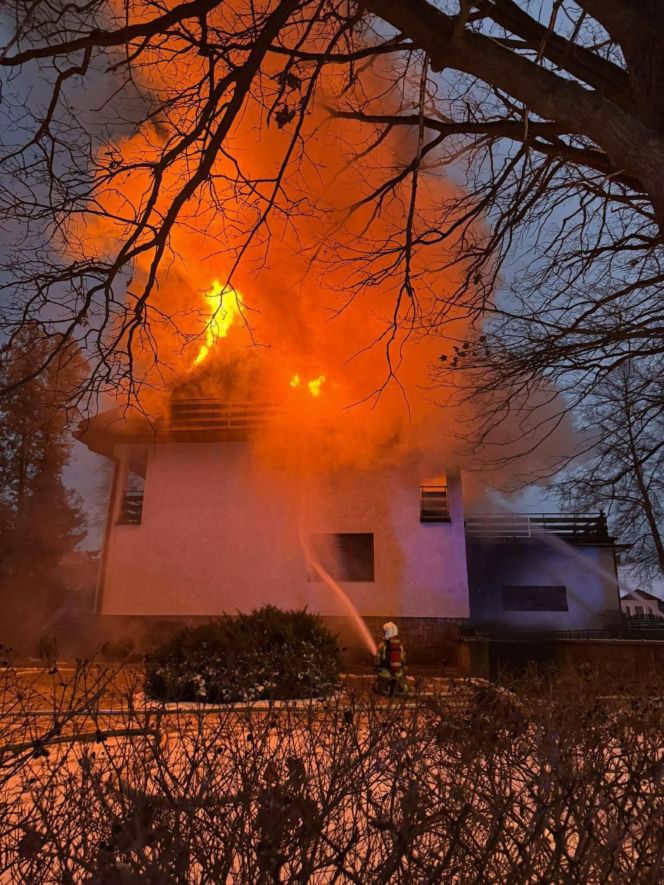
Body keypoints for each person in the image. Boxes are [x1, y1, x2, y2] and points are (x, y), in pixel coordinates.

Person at [373, 621, 408, 696]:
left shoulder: (382, 646)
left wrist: (376, 666)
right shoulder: (400, 646)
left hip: (385, 674)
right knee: (404, 687)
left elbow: (377, 661)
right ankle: (397, 686)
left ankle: (385, 688)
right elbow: (403, 660)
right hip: (398, 673)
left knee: (376, 688)